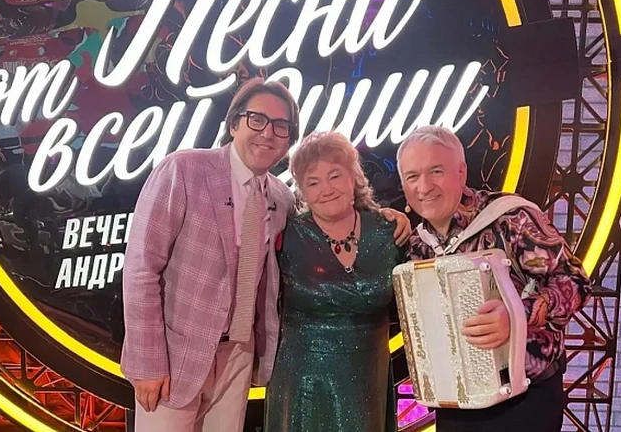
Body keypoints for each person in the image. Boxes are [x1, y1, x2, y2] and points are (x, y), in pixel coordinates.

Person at [122, 77, 411, 432]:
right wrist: (147, 362)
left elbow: (331, 221)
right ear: (234, 124)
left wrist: (387, 216)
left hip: (239, 357)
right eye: (256, 119)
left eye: (280, 126)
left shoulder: (280, 198)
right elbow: (141, 269)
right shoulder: (183, 170)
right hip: (175, 357)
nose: (267, 133)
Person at [396, 125, 592, 432]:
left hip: (525, 403)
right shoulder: (416, 245)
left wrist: (516, 315)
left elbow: (575, 282)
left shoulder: (511, 218)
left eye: (436, 171)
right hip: (456, 404)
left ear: (461, 172)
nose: (424, 187)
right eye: (412, 176)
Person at [265, 131, 403, 432]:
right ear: (302, 191)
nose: (326, 189)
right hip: (302, 384)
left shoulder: (388, 231)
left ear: (353, 177)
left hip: (368, 381)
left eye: (334, 176)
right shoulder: (286, 235)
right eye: (313, 182)